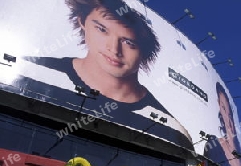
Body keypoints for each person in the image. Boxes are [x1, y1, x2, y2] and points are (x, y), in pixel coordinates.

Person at [19, 0, 193, 150]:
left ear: (144, 52)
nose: (114, 49)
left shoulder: (167, 126)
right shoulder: (30, 71)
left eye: (128, 42)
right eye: (102, 30)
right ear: (82, 22)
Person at [204, 82, 241, 166]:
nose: (228, 115)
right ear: (220, 112)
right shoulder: (214, 144)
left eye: (229, 110)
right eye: (223, 108)